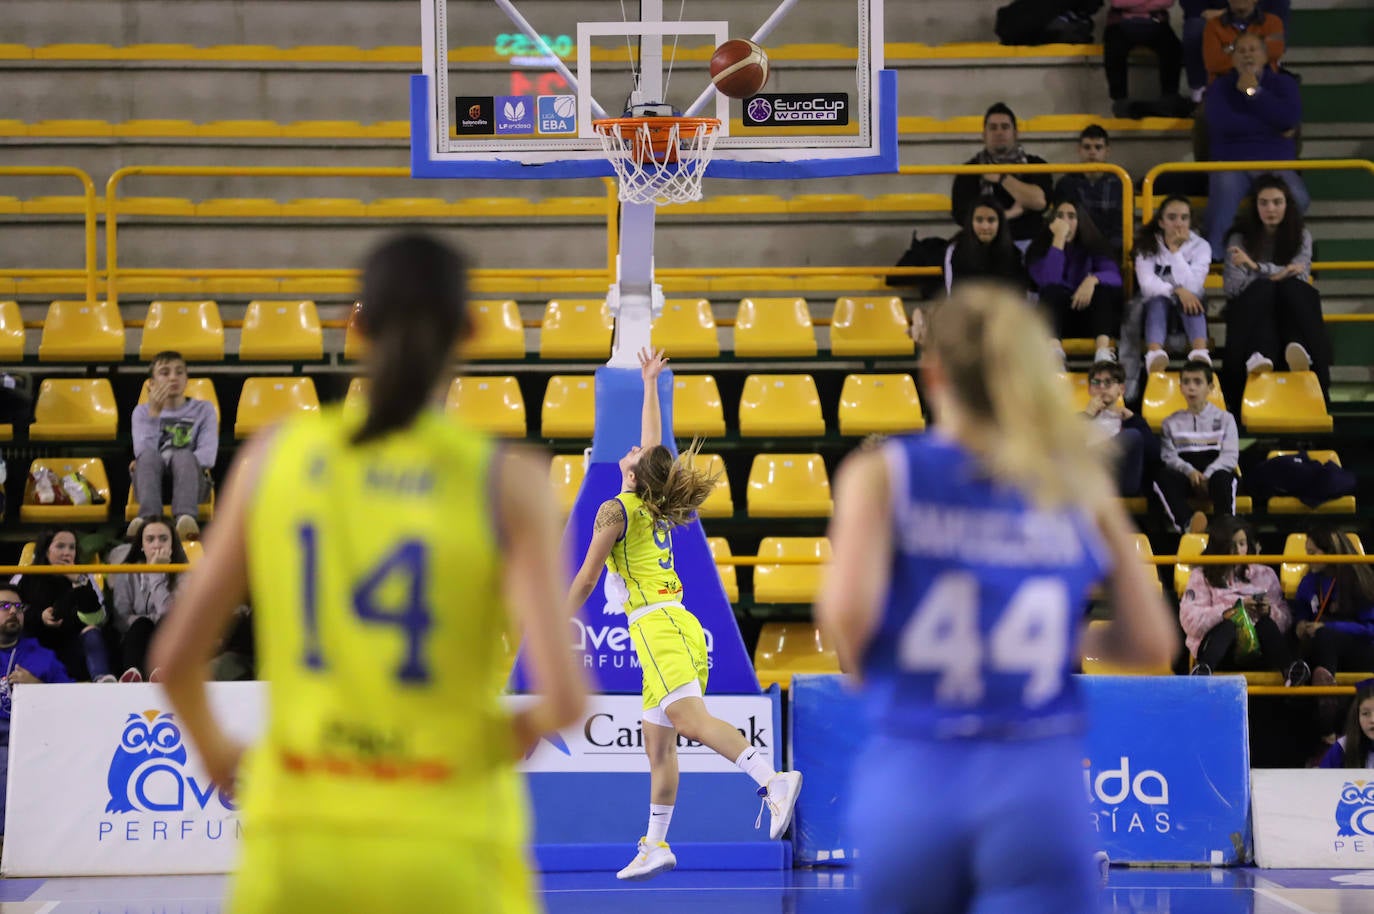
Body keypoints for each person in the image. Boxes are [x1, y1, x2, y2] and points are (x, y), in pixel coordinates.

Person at [149, 233, 587, 914]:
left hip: (299, 837)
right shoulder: (507, 479)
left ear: (356, 328)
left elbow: (175, 662)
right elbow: (565, 700)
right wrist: (500, 740)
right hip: (448, 841)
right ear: (469, 333)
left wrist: (218, 754)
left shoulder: (275, 457)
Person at [815, 281, 1177, 914]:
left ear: (932, 375)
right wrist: (1067, 637)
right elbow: (1150, 643)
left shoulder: (882, 473)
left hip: (918, 765)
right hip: (1037, 779)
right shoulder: (1072, 480)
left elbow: (846, 618)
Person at [561, 346, 803, 882]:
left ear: (633, 473)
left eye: (634, 452)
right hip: (679, 624)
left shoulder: (616, 508)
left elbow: (584, 579)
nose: (632, 448)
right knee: (658, 745)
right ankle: (656, 844)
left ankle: (771, 780)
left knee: (690, 723)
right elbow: (655, 444)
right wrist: (650, 384)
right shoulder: (652, 502)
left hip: (656, 627)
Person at [1220, 174, 1330, 413]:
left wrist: (1255, 267)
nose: (1271, 209)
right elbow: (1233, 288)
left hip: (1288, 308)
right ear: (1255, 206)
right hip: (1251, 310)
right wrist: (1277, 274)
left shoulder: (1301, 235)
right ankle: (1264, 354)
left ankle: (1299, 351)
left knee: (1293, 290)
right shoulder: (1239, 238)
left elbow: (1300, 277)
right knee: (1265, 289)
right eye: (1264, 203)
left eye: (1277, 202)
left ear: (1287, 205)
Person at [1202, 32, 1307, 256]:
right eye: (1241, 51)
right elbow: (1222, 124)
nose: (1247, 55)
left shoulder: (1284, 83)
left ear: (1265, 55)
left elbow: (1289, 118)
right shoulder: (1218, 88)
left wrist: (1254, 93)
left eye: (1253, 50)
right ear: (1232, 58)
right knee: (1223, 197)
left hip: (1275, 163)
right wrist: (1272, 126)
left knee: (1298, 199)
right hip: (1230, 162)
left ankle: (1283, 253)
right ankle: (1215, 259)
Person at [1179, 517, 1300, 680]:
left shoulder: (1266, 574)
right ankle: (1203, 672)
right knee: (1229, 626)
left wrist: (1269, 611)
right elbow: (1189, 621)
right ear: (1220, 547)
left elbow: (1286, 620)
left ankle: (1291, 672)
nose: (1237, 551)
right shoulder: (1201, 575)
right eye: (1231, 545)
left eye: (1242, 544)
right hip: (1222, 652)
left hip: (1260, 649)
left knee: (1266, 624)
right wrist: (1229, 612)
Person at [0, 583, 73, 837]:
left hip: (29, 736)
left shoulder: (42, 656)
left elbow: (72, 701)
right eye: (4, 606)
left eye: (18, 607)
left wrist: (38, 687)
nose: (13, 612)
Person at [130, 350, 218, 542]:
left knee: (183, 456)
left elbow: (208, 456)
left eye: (179, 372)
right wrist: (154, 414)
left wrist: (174, 459)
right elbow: (143, 452)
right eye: (165, 372)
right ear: (151, 384)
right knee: (147, 458)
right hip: (153, 482)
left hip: (191, 482)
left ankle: (186, 520)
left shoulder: (204, 409)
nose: (173, 378)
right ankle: (149, 521)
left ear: (187, 380)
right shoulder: (141, 412)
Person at [1025, 195, 1124, 365]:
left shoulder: (1095, 244)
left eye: (1071, 216)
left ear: (1081, 221)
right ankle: (1055, 355)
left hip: (1091, 318)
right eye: (1059, 216)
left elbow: (1115, 277)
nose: (1065, 222)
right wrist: (1058, 240)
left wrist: (1092, 280)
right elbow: (1049, 280)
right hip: (1059, 321)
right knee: (1051, 292)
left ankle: (1103, 353)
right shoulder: (1038, 248)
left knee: (1102, 291)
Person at [11, 528, 114, 683]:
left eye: (71, 547)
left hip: (72, 646)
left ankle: (102, 681)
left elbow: (98, 618)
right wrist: (40, 616)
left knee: (92, 632)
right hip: (36, 643)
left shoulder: (84, 577)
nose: (67, 552)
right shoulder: (24, 576)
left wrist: (79, 582)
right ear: (46, 550)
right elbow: (11, 609)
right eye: (60, 546)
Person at [1153, 359, 1239, 535]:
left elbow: (1230, 456)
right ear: (1181, 387)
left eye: (1197, 382)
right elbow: (1169, 457)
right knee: (1162, 477)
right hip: (1187, 476)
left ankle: (1225, 531)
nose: (1191, 387)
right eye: (1186, 382)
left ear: (1210, 387)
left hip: (1215, 474)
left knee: (1224, 478)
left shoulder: (1226, 419)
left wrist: (1207, 475)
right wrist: (1190, 472)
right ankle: (1188, 525)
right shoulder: (1170, 422)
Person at [950, 102, 1052, 246]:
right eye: (993, 128)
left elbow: (1039, 202)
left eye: (1005, 127)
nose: (999, 132)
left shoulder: (1036, 164)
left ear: (1016, 133)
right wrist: (1008, 214)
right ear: (983, 135)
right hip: (984, 245)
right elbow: (962, 216)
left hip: (1027, 242)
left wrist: (1001, 177)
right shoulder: (969, 171)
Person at [1133, 195, 1213, 374]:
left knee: (1193, 298)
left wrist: (1175, 252)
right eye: (1172, 217)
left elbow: (1193, 286)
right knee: (1157, 300)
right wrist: (1177, 290)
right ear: (1161, 222)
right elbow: (1146, 285)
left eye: (1184, 218)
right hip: (1156, 306)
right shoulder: (1146, 244)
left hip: (1190, 304)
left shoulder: (1201, 246)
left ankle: (1200, 353)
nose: (1178, 223)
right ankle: (1154, 355)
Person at [108, 515, 188, 683]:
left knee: (166, 621)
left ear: (172, 543)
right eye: (150, 539)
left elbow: (172, 617)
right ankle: (132, 674)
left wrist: (156, 573)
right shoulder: (126, 572)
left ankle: (161, 672)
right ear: (142, 545)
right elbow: (121, 619)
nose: (157, 545)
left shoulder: (184, 573)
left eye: (163, 539)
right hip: (135, 640)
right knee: (142, 625)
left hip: (172, 644)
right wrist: (149, 620)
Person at [1293, 526, 1374, 690]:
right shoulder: (1309, 581)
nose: (1308, 559)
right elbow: (1301, 609)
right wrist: (1300, 624)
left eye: (1313, 553)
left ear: (1331, 552)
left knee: (1324, 635)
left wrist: (1328, 627)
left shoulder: (1359, 580)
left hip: (1360, 649)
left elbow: (1370, 628)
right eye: (1307, 553)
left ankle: (1327, 696)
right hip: (1321, 645)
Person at [1082, 359, 1158, 498]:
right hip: (1089, 480)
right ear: (1089, 389)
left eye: (1108, 382)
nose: (1102, 387)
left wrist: (1132, 419)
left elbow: (1154, 455)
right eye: (1096, 382)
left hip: (1122, 481)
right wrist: (1087, 416)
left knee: (1133, 436)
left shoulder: (1132, 421)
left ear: (1121, 389)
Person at [1102, 1, 1186, 118]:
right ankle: (1120, 100)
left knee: (1172, 47)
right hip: (1120, 23)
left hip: (1156, 22)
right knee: (1114, 46)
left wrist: (1132, 5)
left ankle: (1169, 97)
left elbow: (1168, 2)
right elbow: (1117, 2)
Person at [1052, 125, 1126, 258]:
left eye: (1098, 147)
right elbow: (1060, 224)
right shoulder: (1065, 184)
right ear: (1079, 150)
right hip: (1072, 251)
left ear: (1107, 151)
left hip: (1108, 253)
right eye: (1087, 147)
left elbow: (1120, 229)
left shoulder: (1120, 184)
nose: (1092, 152)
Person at [942, 199, 1028, 294]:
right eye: (979, 220)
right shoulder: (956, 250)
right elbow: (954, 293)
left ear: (1000, 223)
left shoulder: (1014, 253)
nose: (985, 227)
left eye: (991, 220)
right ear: (971, 222)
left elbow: (1018, 296)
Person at [1201, 0, 1286, 85]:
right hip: (1225, 85)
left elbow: (1276, 50)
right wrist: (1257, 48)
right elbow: (1213, 63)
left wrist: (1232, 48)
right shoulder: (1212, 25)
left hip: (1265, 81)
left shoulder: (1274, 22)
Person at [1318, 680, 1374, 769]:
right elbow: (1322, 780)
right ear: (1357, 715)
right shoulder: (1343, 747)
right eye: (1365, 713)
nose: (1372, 720)